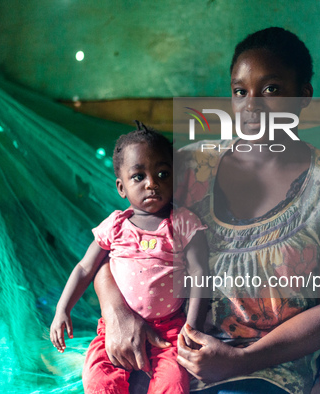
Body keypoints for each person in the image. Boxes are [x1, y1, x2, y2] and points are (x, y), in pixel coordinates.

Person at [93, 27, 320, 394]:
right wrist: (118, 313)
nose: (252, 105)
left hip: (265, 366)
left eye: (271, 89)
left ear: (304, 95)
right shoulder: (187, 168)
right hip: (166, 351)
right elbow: (113, 251)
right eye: (240, 91)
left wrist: (243, 360)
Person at [50, 122, 209, 394]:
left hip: (169, 332)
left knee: (174, 383)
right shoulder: (115, 226)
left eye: (163, 173)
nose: (152, 183)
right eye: (139, 177)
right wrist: (61, 309)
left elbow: (201, 278)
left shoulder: (182, 223)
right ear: (121, 187)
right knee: (98, 380)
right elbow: (85, 267)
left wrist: (191, 331)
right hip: (112, 328)